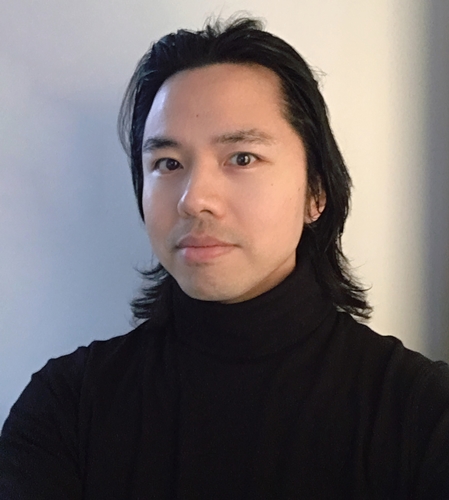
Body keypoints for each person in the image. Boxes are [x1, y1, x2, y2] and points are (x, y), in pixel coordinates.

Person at [1, 15, 448, 499]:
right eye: (168, 163)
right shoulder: (66, 407)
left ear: (316, 191)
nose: (194, 200)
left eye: (242, 158)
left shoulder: (421, 413)